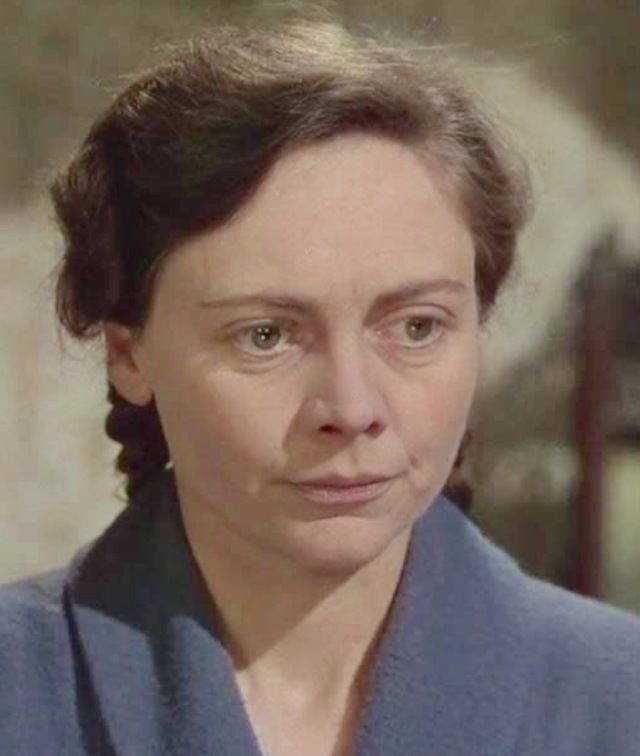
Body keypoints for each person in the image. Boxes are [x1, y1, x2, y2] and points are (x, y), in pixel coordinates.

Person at [1, 13, 639, 756]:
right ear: (128, 355)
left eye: (417, 326)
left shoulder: (616, 699)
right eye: (265, 335)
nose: (352, 408)